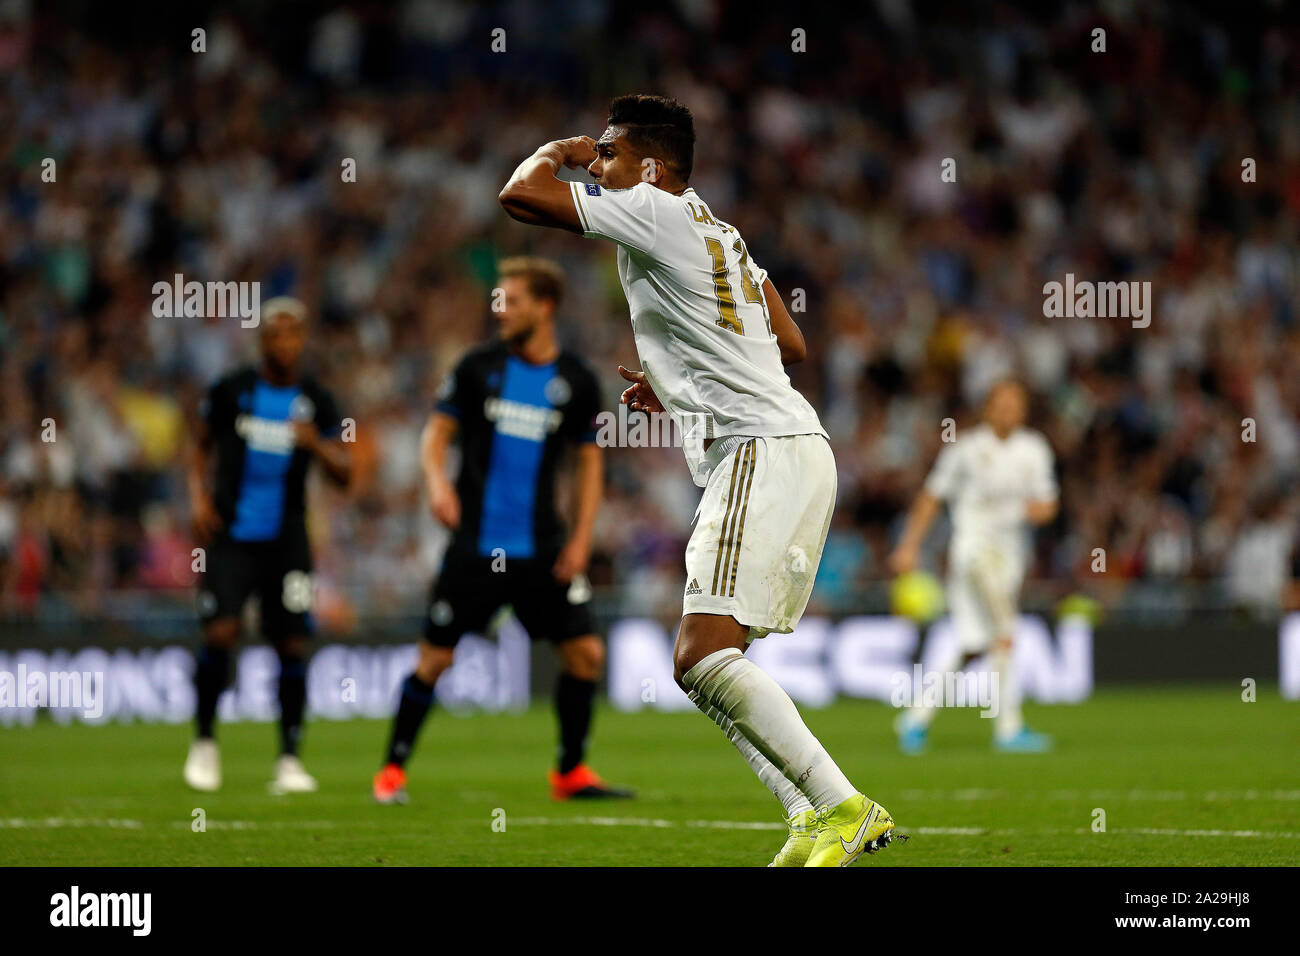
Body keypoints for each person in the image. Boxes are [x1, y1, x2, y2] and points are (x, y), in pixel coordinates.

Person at [497, 94, 898, 866]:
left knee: (700, 657)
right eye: (597, 152)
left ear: (650, 167)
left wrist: (558, 148)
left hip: (761, 451)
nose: (599, 162)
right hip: (786, 445)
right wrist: (680, 380)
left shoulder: (651, 207)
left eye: (610, 152)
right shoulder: (724, 232)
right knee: (706, 668)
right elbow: (791, 340)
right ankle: (810, 814)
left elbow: (520, 196)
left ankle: (844, 805)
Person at [372, 257, 633, 805]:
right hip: (474, 546)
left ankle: (570, 772)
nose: (501, 311)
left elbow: (589, 464)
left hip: (543, 549)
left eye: (511, 301)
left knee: (585, 654)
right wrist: (437, 485)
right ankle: (391, 772)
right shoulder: (476, 368)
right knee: (434, 660)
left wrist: (583, 538)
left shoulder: (577, 382)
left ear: (545, 307)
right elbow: (436, 433)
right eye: (498, 300)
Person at [185, 297, 351, 793]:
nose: (284, 343)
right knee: (220, 633)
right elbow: (199, 444)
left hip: (288, 541)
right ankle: (206, 741)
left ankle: (289, 759)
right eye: (274, 334)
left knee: (292, 644)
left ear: (302, 340)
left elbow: (346, 472)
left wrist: (317, 445)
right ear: (261, 341)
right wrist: (197, 499)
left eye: (292, 334)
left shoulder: (319, 401)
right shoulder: (231, 391)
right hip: (231, 537)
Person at [889, 379, 1059, 753]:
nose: (1008, 411)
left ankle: (915, 719)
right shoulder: (965, 449)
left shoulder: (1034, 449)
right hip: (972, 552)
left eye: (1015, 404)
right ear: (988, 408)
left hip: (1010, 556)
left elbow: (1048, 504)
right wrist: (909, 546)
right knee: (1005, 629)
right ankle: (1008, 729)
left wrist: (1032, 511)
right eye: (1001, 403)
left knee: (974, 644)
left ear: (1024, 411)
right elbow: (931, 496)